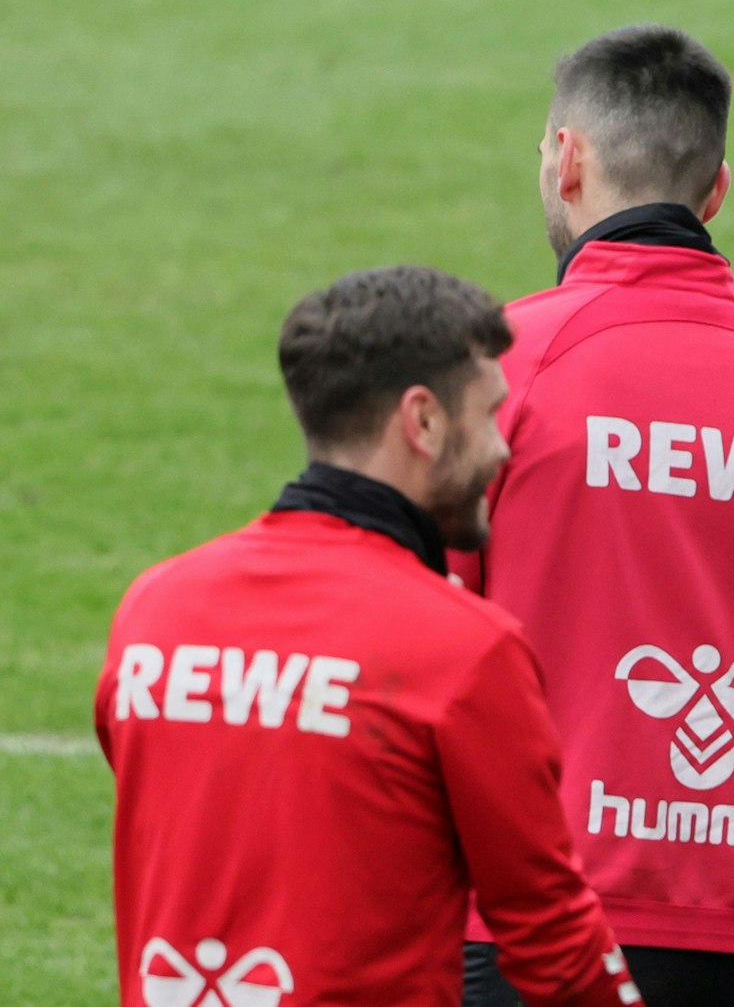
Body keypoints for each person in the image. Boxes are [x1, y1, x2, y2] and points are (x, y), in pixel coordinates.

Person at [453, 24, 734, 1007]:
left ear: (567, 160)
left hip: (526, 931)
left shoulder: (499, 371)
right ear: (715, 190)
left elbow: (421, 647)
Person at [95, 266, 641, 1007]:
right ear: (423, 422)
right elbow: (554, 941)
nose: (502, 449)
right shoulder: (461, 649)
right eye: (489, 415)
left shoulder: (154, 612)